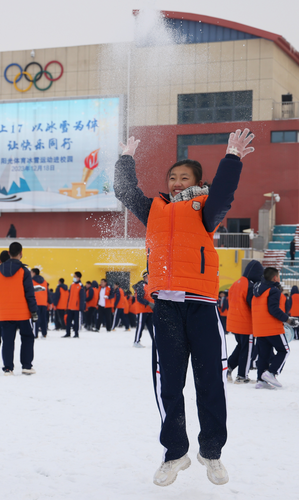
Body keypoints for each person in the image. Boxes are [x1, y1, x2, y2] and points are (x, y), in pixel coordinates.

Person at [114, 128, 254, 486]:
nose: (177, 183)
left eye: (184, 178)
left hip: (202, 308)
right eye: (173, 178)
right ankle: (175, 453)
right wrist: (125, 160)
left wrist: (232, 158)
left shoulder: (205, 209)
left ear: (197, 181)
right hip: (165, 308)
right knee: (168, 384)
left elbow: (224, 193)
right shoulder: (154, 209)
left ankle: (212, 452)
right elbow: (125, 191)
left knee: (210, 382)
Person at [250, 267, 298, 389]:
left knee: (263, 355)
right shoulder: (274, 291)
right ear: (275, 278)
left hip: (259, 329)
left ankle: (261, 380)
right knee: (284, 350)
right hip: (272, 328)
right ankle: (272, 373)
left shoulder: (257, 292)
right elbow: (274, 309)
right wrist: (288, 320)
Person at [0, 242, 37, 374]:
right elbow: (29, 293)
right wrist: (34, 310)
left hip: (5, 313)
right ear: (21, 253)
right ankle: (26, 366)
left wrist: (1, 307)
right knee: (27, 337)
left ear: (8, 253)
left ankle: (8, 367)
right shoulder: (24, 271)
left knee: (7, 340)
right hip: (22, 312)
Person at [225, 260, 263, 383]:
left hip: (234, 322)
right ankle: (242, 376)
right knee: (247, 350)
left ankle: (228, 368)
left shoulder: (236, 283)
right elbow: (253, 305)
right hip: (245, 323)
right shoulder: (250, 286)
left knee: (241, 347)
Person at [131, 271, 154, 347]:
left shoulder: (150, 286)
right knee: (140, 326)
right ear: (144, 278)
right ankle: (136, 341)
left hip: (149, 310)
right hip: (142, 310)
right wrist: (148, 303)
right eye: (147, 277)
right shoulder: (141, 286)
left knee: (151, 327)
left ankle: (155, 342)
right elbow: (139, 298)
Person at [61, 271, 85, 338]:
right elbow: (69, 296)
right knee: (68, 321)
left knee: (76, 321)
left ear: (79, 278)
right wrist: (67, 305)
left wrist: (81, 307)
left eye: (75, 276)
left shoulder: (80, 286)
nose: (74, 278)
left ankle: (76, 333)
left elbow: (82, 297)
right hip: (70, 306)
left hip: (76, 307)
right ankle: (68, 333)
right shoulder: (72, 285)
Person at [31, 268, 49, 338]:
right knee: (43, 318)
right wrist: (49, 302)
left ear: (34, 273)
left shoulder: (31, 281)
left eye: (31, 272)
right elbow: (47, 292)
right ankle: (44, 333)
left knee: (35, 318)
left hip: (36, 302)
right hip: (44, 303)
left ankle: (35, 333)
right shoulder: (45, 281)